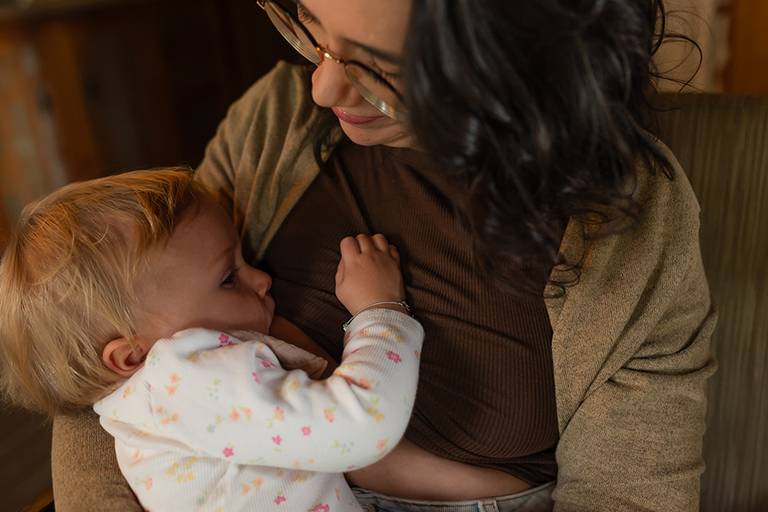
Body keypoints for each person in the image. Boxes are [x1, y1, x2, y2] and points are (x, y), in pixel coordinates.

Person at [50, 1, 717, 511]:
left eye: (379, 68)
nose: (324, 89)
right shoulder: (275, 122)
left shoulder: (627, 223)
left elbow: (625, 495)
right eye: (311, 29)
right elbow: (103, 345)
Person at [0, 169, 424, 511]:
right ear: (132, 353)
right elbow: (360, 426)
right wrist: (380, 309)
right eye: (228, 278)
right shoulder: (180, 379)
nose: (261, 279)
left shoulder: (141, 408)